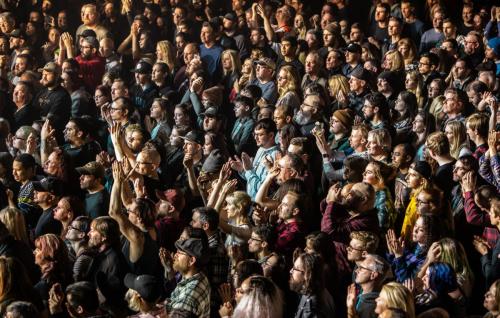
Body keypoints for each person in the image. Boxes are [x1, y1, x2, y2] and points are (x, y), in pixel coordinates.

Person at [290, 252, 336, 317]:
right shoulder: (320, 292)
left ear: (307, 274)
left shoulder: (312, 307)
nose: (291, 271)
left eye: (295, 268)